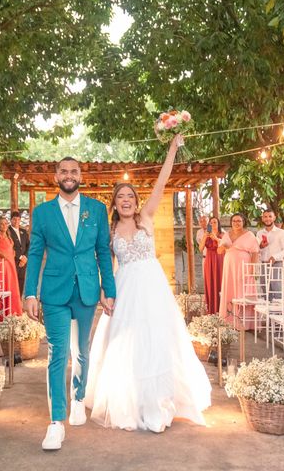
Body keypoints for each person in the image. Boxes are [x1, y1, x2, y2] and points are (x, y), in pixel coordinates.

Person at [85, 135, 211, 434]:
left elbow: (162, 181)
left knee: (157, 341)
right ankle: (133, 402)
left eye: (130, 196)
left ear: (135, 201)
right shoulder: (111, 227)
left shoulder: (147, 217)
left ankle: (158, 401)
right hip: (125, 288)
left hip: (152, 288)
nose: (126, 200)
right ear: (114, 204)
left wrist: (172, 149)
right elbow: (107, 262)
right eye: (120, 197)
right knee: (126, 343)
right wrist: (105, 292)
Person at [24, 156, 116, 450]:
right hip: (54, 291)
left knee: (81, 352)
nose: (68, 175)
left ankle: (78, 398)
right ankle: (55, 423)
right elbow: (35, 253)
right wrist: (29, 293)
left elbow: (103, 251)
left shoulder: (97, 209)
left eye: (73, 171)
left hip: (87, 289)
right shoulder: (42, 213)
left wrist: (108, 288)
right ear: (56, 176)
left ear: (80, 175)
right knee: (57, 353)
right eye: (63, 171)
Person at [218, 213, 259, 329]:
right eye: (234, 221)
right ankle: (229, 320)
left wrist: (252, 267)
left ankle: (243, 322)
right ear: (231, 222)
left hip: (243, 264)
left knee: (242, 289)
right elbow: (219, 251)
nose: (236, 223)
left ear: (243, 222)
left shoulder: (249, 234)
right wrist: (223, 245)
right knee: (230, 288)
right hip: (229, 265)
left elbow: (255, 251)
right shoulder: (226, 234)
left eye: (239, 221)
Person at [256, 209, 284, 300]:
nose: (268, 219)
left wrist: (275, 257)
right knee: (265, 290)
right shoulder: (259, 233)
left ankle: (278, 312)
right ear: (262, 218)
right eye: (265, 217)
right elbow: (256, 249)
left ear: (274, 217)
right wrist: (261, 247)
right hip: (264, 264)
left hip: (277, 264)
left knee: (276, 289)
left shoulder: (281, 232)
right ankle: (267, 313)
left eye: (270, 216)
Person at [0, 216, 22, 316]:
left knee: (12, 285)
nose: (4, 225)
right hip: (3, 264)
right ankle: (4, 311)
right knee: (5, 285)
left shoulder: (8, 235)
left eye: (6, 223)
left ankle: (14, 310)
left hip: (11, 264)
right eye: (1, 223)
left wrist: (13, 252)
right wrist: (2, 254)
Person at [198, 216, 223, 314]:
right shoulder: (206, 235)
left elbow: (225, 246)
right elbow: (200, 249)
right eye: (211, 223)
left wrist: (216, 238)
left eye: (215, 222)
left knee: (220, 281)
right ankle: (211, 310)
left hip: (220, 259)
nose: (213, 224)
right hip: (209, 260)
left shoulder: (223, 234)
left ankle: (221, 309)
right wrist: (205, 236)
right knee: (209, 282)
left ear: (218, 224)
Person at [8, 210, 29, 294]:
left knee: (21, 280)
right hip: (14, 260)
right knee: (13, 281)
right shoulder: (8, 231)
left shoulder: (23, 231)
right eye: (14, 219)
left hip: (23, 261)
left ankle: (19, 299)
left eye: (18, 219)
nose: (16, 221)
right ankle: (12, 300)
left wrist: (25, 258)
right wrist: (20, 257)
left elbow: (28, 245)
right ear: (11, 220)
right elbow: (10, 247)